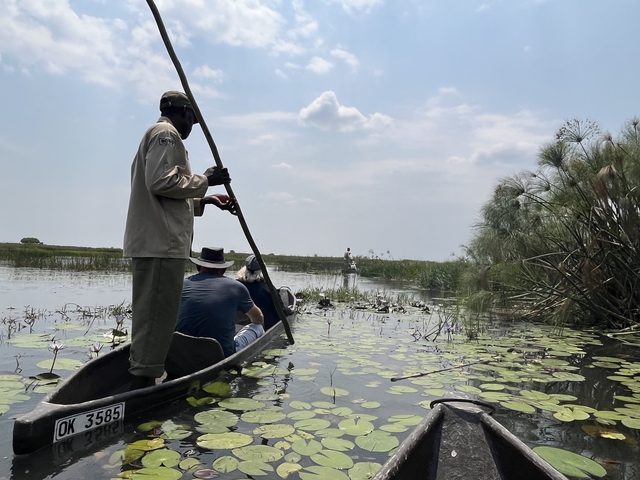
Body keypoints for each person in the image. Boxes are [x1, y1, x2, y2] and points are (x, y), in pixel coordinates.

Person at [123, 91, 235, 390]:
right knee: (157, 320)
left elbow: (167, 194)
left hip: (160, 242)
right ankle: (143, 385)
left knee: (155, 317)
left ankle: (144, 373)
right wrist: (204, 180)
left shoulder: (161, 134)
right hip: (161, 243)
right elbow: (160, 182)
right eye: (193, 119)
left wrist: (206, 200)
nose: (192, 126)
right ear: (185, 113)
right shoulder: (167, 134)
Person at [175, 247, 265, 357]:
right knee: (258, 327)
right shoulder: (236, 287)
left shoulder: (182, 284)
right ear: (223, 270)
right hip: (221, 354)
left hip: (181, 351)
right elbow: (258, 318)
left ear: (198, 267)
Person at [237, 254, 293, 330]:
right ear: (263, 270)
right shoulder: (269, 289)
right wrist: (289, 310)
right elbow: (281, 312)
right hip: (262, 327)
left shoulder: (236, 286)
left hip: (239, 325)